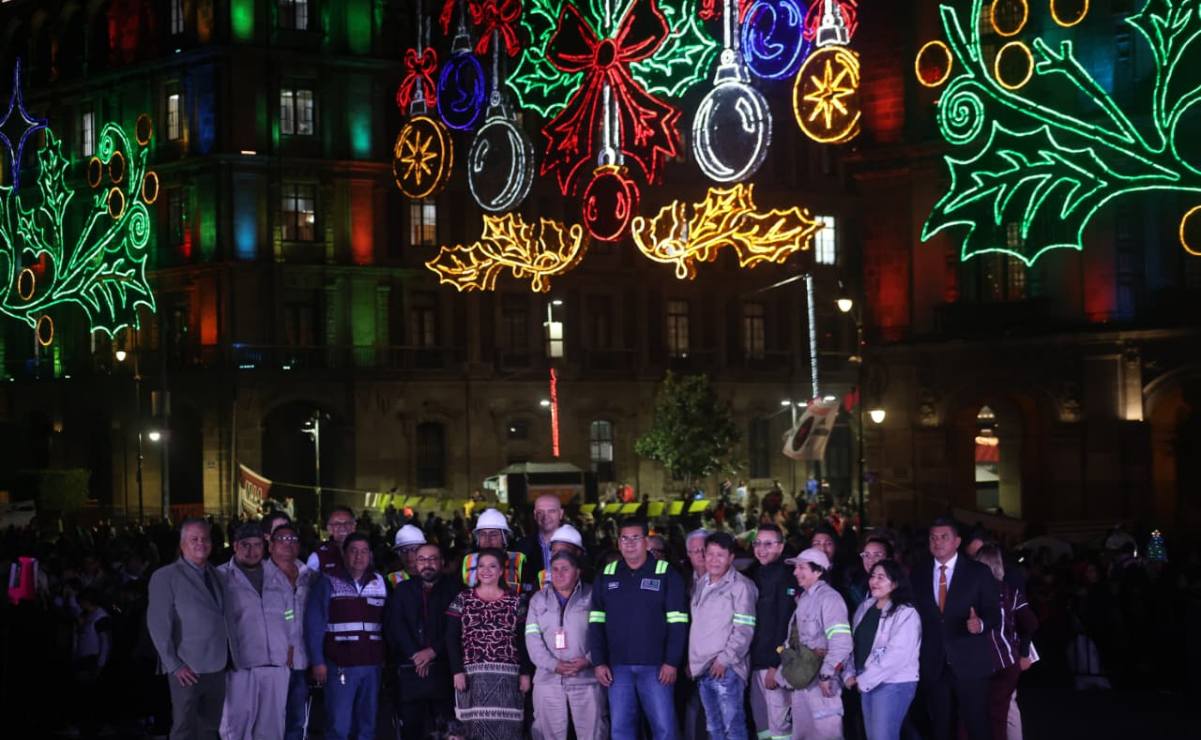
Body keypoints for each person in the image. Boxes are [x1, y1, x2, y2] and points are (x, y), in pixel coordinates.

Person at [589, 517, 689, 740]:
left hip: (657, 667)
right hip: (617, 668)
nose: (630, 544)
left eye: (635, 538)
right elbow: (595, 622)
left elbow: (678, 623)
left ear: (646, 542)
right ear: (618, 543)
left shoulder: (666, 573)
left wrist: (672, 662)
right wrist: (599, 661)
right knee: (621, 730)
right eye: (625, 539)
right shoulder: (607, 574)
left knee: (664, 729)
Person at [914, 517, 1001, 740]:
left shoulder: (978, 572)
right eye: (933, 538)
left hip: (970, 662)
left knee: (977, 725)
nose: (938, 542)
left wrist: (980, 624)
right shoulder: (919, 573)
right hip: (934, 663)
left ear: (957, 541)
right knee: (940, 728)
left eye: (944, 537)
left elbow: (994, 611)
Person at [147, 518, 230, 740]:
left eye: (205, 539)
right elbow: (157, 625)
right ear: (182, 544)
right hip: (186, 668)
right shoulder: (165, 577)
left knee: (210, 729)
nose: (201, 543)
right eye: (194, 539)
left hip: (217, 666)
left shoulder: (218, 575)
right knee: (184, 728)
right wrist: (174, 665)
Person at [305, 532, 388, 740]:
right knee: (338, 726)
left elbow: (388, 622)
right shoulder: (328, 581)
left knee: (367, 725)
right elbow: (314, 623)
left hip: (372, 665)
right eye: (353, 551)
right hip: (340, 664)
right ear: (344, 553)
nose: (359, 556)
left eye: (364, 551)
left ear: (370, 555)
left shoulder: (379, 581)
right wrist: (317, 661)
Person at [216, 524, 293, 739]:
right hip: (240, 666)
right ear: (235, 546)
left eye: (257, 545)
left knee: (272, 729)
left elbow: (290, 614)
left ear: (264, 546)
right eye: (246, 545)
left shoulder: (277, 575)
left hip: (276, 665)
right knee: (236, 728)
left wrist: (289, 644)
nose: (252, 551)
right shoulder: (221, 576)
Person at [447, 548, 533, 740]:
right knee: (471, 730)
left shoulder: (515, 600)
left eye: (492, 566)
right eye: (481, 566)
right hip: (471, 677)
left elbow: (522, 639)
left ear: (501, 571)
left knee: (507, 730)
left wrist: (525, 673)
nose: (486, 570)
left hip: (508, 677)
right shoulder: (463, 598)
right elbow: (451, 638)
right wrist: (457, 671)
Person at [526, 550, 608, 740]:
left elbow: (606, 634)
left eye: (565, 569)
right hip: (548, 679)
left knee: (594, 733)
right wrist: (553, 665)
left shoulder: (593, 596)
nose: (559, 574)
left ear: (577, 572)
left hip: (586, 679)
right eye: (555, 569)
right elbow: (532, 639)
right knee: (547, 733)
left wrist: (589, 660)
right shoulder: (538, 599)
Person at [383, 543, 459, 740]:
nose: (427, 564)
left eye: (433, 559)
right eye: (422, 559)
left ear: (442, 562)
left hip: (444, 670)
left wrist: (432, 652)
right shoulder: (402, 590)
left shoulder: (455, 589)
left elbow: (457, 629)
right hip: (411, 669)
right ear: (415, 564)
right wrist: (416, 655)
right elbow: (396, 626)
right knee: (412, 729)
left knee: (447, 729)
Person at [689, 532, 758, 740]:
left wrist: (724, 660)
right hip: (703, 667)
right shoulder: (701, 582)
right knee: (714, 728)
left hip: (726, 669)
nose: (714, 560)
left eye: (720, 555)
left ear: (731, 558)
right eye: (710, 554)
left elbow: (744, 629)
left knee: (733, 728)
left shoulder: (741, 586)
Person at [845, 560, 921, 740]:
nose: (874, 581)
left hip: (892, 682)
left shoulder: (906, 612)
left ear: (895, 583)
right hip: (865, 678)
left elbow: (898, 655)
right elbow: (853, 644)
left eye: (881, 577)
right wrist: (849, 673)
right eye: (873, 576)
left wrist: (864, 680)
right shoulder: (865, 607)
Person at [785, 547, 852, 740]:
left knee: (826, 733)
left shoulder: (830, 599)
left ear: (818, 571)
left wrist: (827, 673)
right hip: (804, 682)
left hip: (822, 684)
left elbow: (842, 641)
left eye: (801, 567)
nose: (795, 572)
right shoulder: (804, 598)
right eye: (796, 567)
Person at [973, 545, 1038, 740]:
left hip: (982, 662)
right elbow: (1031, 623)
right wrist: (1022, 650)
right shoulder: (1010, 591)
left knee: (973, 715)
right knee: (1000, 715)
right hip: (1007, 660)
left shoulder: (973, 593)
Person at [265, 522, 315, 740]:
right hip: (271, 663)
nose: (288, 544)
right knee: (269, 721)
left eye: (293, 539)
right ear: (270, 546)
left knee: (296, 720)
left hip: (301, 662)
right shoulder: (259, 576)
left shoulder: (310, 577)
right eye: (282, 539)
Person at [748, 523, 796, 740]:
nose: (761, 549)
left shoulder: (787, 577)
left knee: (781, 729)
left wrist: (775, 666)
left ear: (781, 546)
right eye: (757, 543)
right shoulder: (753, 574)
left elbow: (785, 624)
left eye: (768, 544)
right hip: (754, 664)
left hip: (774, 666)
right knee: (763, 729)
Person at [460, 508, 527, 590]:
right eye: (483, 534)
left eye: (494, 534)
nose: (487, 540)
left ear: (505, 538)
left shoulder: (519, 561)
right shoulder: (468, 561)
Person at [517, 494, 565, 592]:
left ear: (561, 513)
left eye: (551, 511)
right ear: (535, 515)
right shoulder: (522, 546)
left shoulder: (575, 545)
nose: (545, 516)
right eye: (540, 512)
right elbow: (516, 584)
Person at [306, 506, 357, 576]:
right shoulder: (318, 557)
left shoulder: (364, 553)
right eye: (337, 524)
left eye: (347, 523)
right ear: (329, 529)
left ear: (354, 527)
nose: (342, 527)